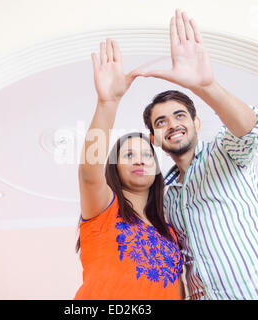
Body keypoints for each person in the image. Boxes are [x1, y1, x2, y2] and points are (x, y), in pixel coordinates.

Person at [140, 9, 258, 299]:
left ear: (196, 123)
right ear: (154, 138)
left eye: (179, 116)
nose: (173, 125)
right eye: (161, 122)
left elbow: (250, 130)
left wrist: (205, 86)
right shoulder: (165, 196)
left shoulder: (225, 153)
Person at [74, 38, 183, 299]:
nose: (140, 160)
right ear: (114, 167)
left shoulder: (171, 232)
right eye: (130, 154)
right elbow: (89, 174)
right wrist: (107, 104)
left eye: (148, 155)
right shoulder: (103, 209)